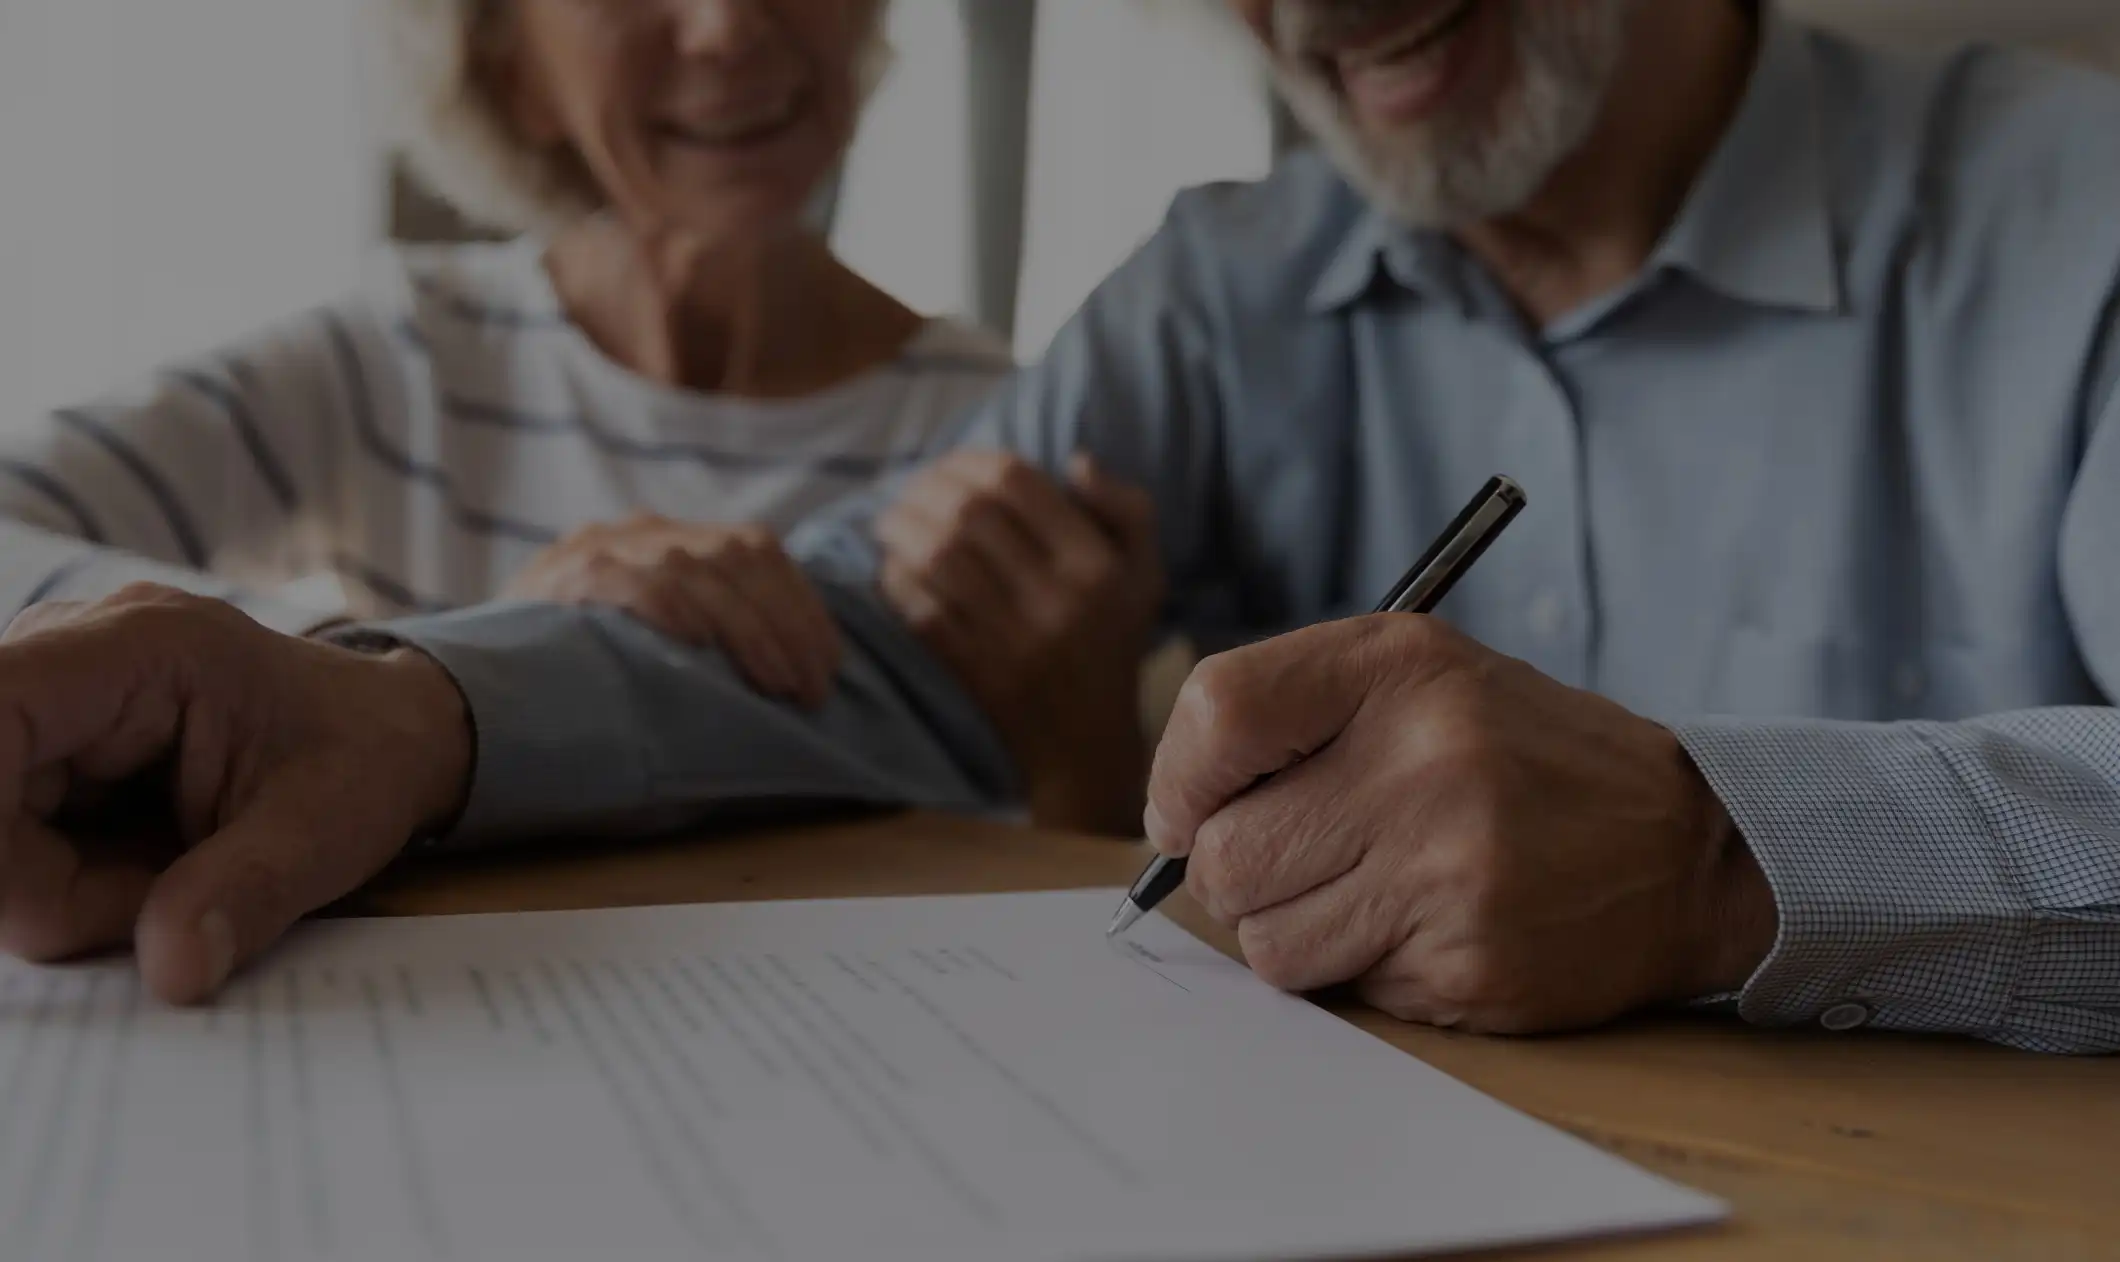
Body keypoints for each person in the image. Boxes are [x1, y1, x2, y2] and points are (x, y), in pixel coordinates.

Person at [4, 0, 2119, 1055]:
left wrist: (1716, 851)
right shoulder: (1217, 288)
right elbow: (866, 641)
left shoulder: (2072, 210)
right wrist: (404, 718)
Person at [0, 0, 1015, 710]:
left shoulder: (1008, 425)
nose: (727, 22)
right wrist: (427, 670)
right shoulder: (404, 358)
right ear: (511, 68)